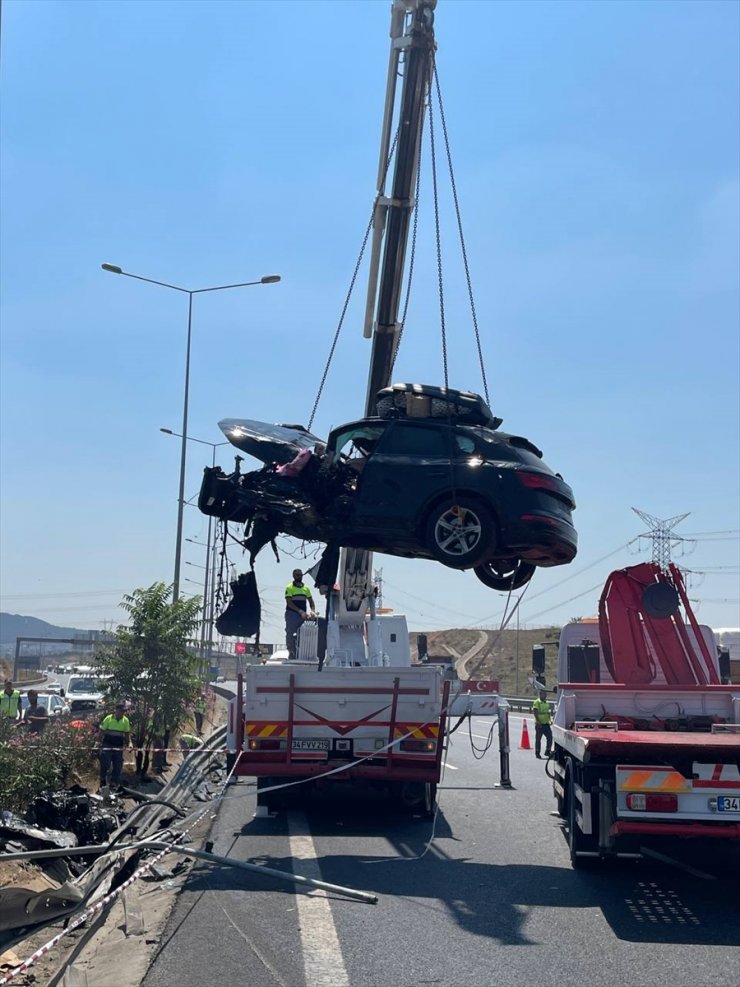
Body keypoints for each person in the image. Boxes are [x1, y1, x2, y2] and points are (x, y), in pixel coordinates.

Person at [284, 568, 316, 659]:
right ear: (293, 576)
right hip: (292, 614)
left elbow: (311, 601)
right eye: (297, 575)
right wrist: (299, 611)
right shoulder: (289, 587)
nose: (299, 577)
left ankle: (302, 651)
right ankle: (291, 651)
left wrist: (313, 611)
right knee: (290, 632)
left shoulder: (306, 588)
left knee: (303, 633)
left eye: (301, 575)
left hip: (303, 615)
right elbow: (289, 602)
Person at [98, 703, 132, 788]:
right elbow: (101, 732)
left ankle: (113, 783)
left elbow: (127, 734)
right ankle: (103, 781)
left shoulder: (125, 721)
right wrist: (99, 743)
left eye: (124, 711)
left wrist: (129, 744)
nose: (123, 713)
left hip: (118, 747)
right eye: (121, 711)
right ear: (116, 710)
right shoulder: (108, 719)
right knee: (105, 764)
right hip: (107, 745)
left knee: (118, 765)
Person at [532, 689, 553, 759]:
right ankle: (537, 753)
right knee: (538, 739)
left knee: (550, 737)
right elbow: (535, 712)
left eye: (546, 694)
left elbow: (548, 713)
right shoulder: (537, 702)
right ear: (540, 694)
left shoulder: (546, 702)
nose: (546, 695)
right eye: (544, 694)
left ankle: (547, 751)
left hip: (546, 724)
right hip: (539, 724)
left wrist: (550, 720)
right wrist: (538, 722)